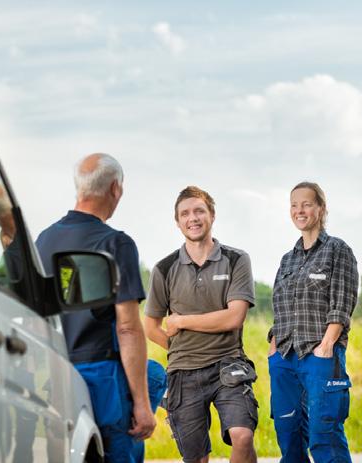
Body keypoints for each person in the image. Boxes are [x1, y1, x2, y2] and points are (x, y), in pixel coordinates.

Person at [36, 153, 157, 462]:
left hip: (58, 372)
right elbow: (128, 327)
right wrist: (142, 405)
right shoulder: (116, 243)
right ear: (115, 189)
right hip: (103, 376)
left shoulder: (43, 241)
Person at [145, 186, 258, 463]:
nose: (192, 218)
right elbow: (150, 326)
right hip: (183, 373)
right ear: (177, 221)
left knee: (242, 436)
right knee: (196, 458)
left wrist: (183, 321)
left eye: (199, 211)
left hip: (228, 365)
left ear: (212, 215)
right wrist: (181, 347)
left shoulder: (236, 259)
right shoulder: (164, 268)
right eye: (185, 213)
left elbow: (234, 316)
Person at [268, 181, 359, 463]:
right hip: (284, 357)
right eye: (294, 205)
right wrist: (273, 347)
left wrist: (327, 345)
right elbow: (279, 306)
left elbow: (342, 303)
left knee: (324, 435)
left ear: (321, 208)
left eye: (306, 204)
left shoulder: (337, 250)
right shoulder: (287, 260)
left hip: (320, 354)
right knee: (288, 433)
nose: (300, 210)